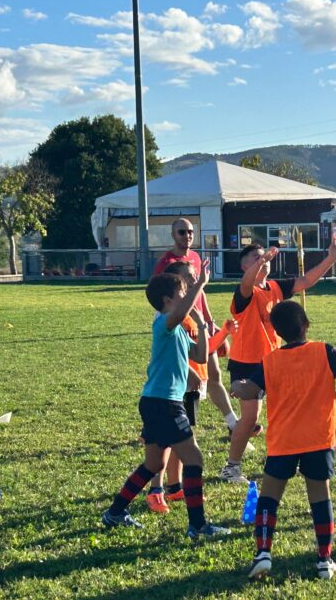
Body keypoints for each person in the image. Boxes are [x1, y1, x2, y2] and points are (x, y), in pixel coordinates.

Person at [232, 300, 336, 580]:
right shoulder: (323, 351)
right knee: (319, 496)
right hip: (318, 439)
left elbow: (250, 390)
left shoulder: (271, 360)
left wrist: (237, 386)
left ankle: (263, 553)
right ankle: (324, 559)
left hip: (283, 442)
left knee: (269, 497)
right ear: (306, 325)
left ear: (277, 332)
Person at [102, 261, 230, 538]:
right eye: (183, 292)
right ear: (167, 301)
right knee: (194, 459)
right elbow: (180, 311)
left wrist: (202, 326)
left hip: (157, 402)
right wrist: (200, 284)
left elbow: (199, 356)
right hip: (163, 404)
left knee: (154, 464)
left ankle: (115, 512)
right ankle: (197, 525)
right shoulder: (163, 322)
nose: (187, 297)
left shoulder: (180, 329)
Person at [220, 235, 336, 484]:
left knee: (286, 413)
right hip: (246, 362)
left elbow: (306, 280)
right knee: (250, 418)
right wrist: (261, 261)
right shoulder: (245, 292)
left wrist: (331, 258)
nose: (263, 260)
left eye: (264, 257)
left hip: (274, 361)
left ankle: (291, 458)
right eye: (255, 259)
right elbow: (247, 284)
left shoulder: (275, 288)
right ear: (244, 267)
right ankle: (231, 468)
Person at [145, 261, 237, 514]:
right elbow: (168, 353)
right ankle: (159, 492)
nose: (192, 287)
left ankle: (172, 489)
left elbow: (199, 354)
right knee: (168, 449)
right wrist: (201, 285)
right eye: (188, 282)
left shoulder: (186, 317)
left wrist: (210, 329)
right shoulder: (166, 317)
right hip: (166, 395)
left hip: (182, 392)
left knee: (172, 446)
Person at [154, 218, 242, 434]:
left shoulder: (194, 257)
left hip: (199, 322)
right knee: (186, 378)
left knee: (214, 374)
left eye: (191, 231)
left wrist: (209, 321)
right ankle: (166, 428)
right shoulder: (167, 262)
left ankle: (233, 424)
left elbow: (199, 291)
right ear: (173, 234)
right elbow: (161, 297)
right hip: (182, 323)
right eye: (182, 232)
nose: (187, 236)